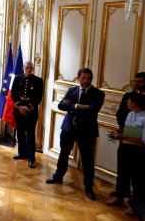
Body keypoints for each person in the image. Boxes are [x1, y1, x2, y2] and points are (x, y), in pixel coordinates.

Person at [46, 68, 105, 201]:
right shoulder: (72, 91)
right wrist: (78, 106)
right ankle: (58, 176)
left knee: (87, 160)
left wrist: (71, 105)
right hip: (69, 129)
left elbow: (93, 109)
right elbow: (61, 106)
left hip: (87, 131)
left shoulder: (98, 94)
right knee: (64, 153)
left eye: (89, 78)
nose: (86, 81)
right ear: (78, 78)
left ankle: (89, 186)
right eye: (83, 78)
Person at [107, 72, 145, 205]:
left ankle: (136, 204)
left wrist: (129, 133)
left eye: (139, 81)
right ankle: (120, 196)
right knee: (122, 171)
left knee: (140, 176)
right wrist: (123, 131)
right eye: (135, 81)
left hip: (142, 146)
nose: (136, 84)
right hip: (126, 141)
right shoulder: (128, 97)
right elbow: (120, 115)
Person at [11, 61, 44, 168]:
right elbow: (13, 94)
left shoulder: (38, 81)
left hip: (31, 112)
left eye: (31, 68)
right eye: (27, 67)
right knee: (20, 132)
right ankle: (22, 153)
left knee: (30, 134)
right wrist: (20, 107)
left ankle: (31, 158)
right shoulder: (17, 79)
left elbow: (38, 98)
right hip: (18, 111)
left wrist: (27, 107)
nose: (29, 69)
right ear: (23, 68)